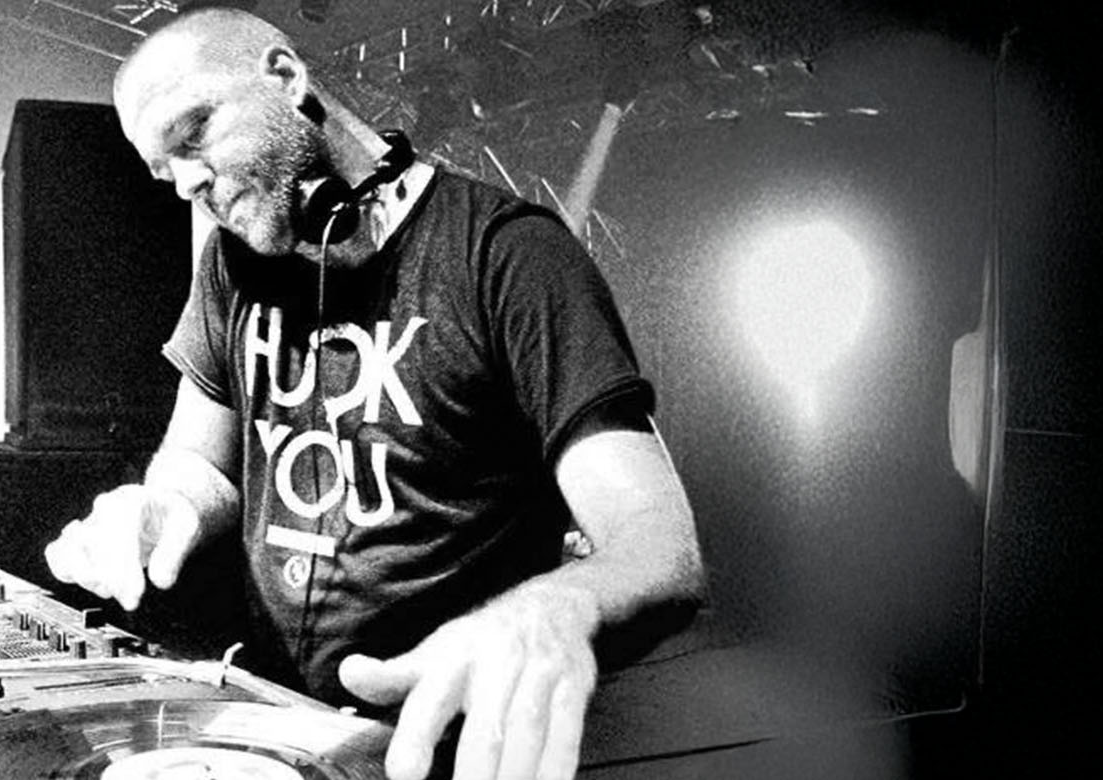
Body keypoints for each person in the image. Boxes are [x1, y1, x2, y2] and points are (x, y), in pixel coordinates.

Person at [43, 8, 703, 780]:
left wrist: (556, 607)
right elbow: (200, 461)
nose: (187, 183)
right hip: (282, 733)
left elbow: (662, 546)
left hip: (448, 749)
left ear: (285, 77)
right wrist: (161, 506)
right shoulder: (232, 265)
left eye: (193, 135)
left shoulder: (509, 256)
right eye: (166, 171)